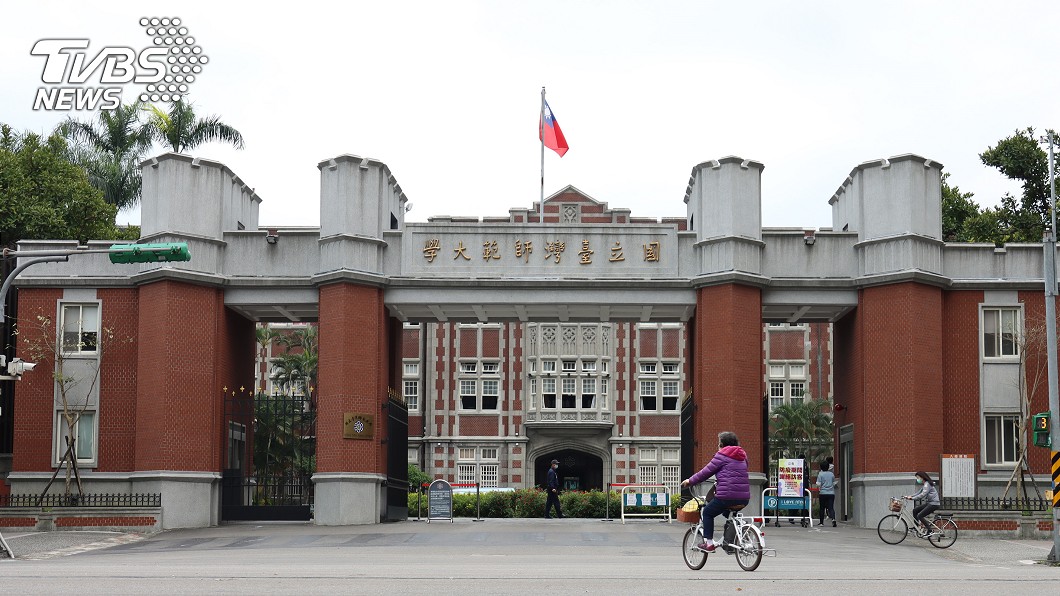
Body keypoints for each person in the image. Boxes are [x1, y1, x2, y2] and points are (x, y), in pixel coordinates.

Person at [680, 431, 750, 552]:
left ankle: (709, 543)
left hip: (726, 496)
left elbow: (705, 472)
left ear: (722, 445)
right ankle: (728, 538)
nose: (718, 447)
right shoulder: (743, 456)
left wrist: (690, 481)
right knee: (726, 511)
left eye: (719, 444)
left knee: (707, 512)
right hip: (744, 497)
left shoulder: (721, 456)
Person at [903, 471, 940, 535]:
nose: (917, 479)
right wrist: (909, 496)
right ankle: (917, 527)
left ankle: (930, 530)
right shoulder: (926, 484)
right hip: (930, 503)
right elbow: (918, 493)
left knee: (920, 515)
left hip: (934, 504)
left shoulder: (927, 484)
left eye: (918, 477)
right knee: (915, 510)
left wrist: (912, 498)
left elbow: (922, 494)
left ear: (922, 477)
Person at [816, 460, 836, 527]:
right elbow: (833, 483)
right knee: (831, 507)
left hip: (823, 493)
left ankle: (821, 522)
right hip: (831, 493)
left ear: (821, 467)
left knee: (822, 508)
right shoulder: (831, 474)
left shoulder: (820, 474)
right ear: (828, 467)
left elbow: (818, 484)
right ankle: (833, 519)